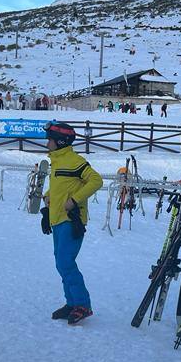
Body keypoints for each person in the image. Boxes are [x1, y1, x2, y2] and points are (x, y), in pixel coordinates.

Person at [41, 121, 104, 325]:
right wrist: (48, 196)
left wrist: (75, 200)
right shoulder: (57, 161)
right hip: (57, 219)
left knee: (66, 262)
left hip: (71, 220)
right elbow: (61, 185)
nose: (47, 143)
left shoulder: (75, 161)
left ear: (60, 141)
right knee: (61, 263)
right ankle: (71, 303)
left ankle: (83, 305)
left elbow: (96, 181)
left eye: (49, 139)